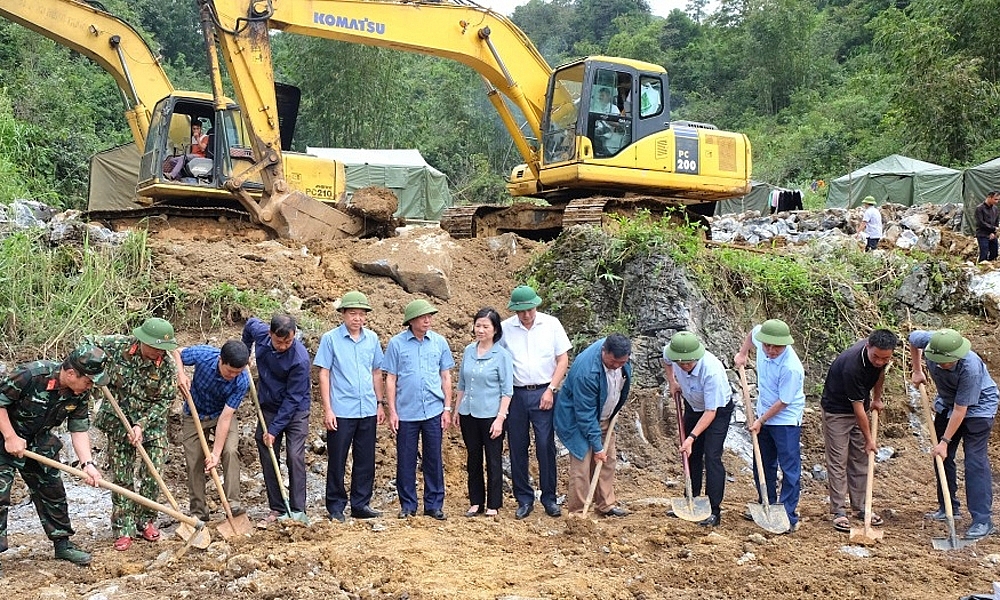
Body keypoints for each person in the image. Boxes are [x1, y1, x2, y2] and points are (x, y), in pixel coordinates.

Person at [0, 345, 108, 571]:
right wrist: (10, 437)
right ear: (71, 374)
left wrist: (87, 463)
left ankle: (62, 544)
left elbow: (78, 429)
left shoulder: (80, 392)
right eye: (88, 381)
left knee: (52, 491)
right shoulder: (30, 375)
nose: (91, 386)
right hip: (4, 436)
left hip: (38, 441)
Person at [90, 317, 179, 551]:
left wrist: (141, 424)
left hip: (151, 424)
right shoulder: (117, 345)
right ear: (142, 341)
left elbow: (165, 400)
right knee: (123, 476)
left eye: (163, 349)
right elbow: (86, 343)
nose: (158, 353)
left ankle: (146, 520)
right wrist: (93, 370)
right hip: (119, 420)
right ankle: (124, 527)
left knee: (154, 471)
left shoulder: (166, 366)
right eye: (155, 348)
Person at [910, 328, 997, 540]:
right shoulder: (931, 342)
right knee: (941, 456)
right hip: (948, 404)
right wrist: (917, 369)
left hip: (979, 408)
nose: (941, 366)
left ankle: (982, 520)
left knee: (974, 461)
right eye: (938, 361)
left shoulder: (971, 367)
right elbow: (913, 339)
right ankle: (948, 508)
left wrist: (945, 441)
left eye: (946, 363)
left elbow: (962, 410)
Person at [499, 285, 571, 520]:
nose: (526, 315)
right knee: (518, 446)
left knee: (544, 444)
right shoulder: (506, 328)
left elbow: (562, 359)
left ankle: (549, 497)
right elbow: (498, 359)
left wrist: (551, 389)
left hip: (544, 391)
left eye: (529, 310)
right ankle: (524, 498)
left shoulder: (551, 324)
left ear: (536, 306)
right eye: (521, 311)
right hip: (516, 394)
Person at [313, 291, 385, 522]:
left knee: (365, 458)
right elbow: (324, 374)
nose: (357, 318)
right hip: (342, 409)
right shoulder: (331, 339)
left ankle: (360, 503)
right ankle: (335, 505)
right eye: (352, 313)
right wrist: (328, 409)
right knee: (337, 458)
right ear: (343, 314)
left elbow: (376, 372)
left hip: (367, 408)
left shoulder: (372, 339)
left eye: (361, 314)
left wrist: (380, 403)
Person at [383, 299, 454, 520]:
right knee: (406, 458)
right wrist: (392, 411)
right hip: (406, 412)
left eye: (430, 316)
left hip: (433, 409)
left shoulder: (439, 342)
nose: (427, 320)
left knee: (433, 458)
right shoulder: (397, 344)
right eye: (423, 317)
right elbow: (391, 379)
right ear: (411, 320)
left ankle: (434, 504)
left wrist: (447, 408)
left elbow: (446, 376)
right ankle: (408, 505)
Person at [820, 329, 897, 533]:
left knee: (861, 459)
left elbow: (879, 374)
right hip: (837, 411)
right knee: (838, 460)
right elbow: (858, 410)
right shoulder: (852, 366)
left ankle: (862, 507)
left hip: (859, 407)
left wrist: (877, 398)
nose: (880, 361)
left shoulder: (881, 356)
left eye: (885, 358)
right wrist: (870, 439)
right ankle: (839, 511)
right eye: (876, 357)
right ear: (867, 347)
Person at [734, 319, 805, 531]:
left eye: (777, 347)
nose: (771, 350)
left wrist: (760, 421)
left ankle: (787, 514)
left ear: (786, 344)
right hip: (763, 413)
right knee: (763, 462)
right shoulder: (761, 338)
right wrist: (743, 353)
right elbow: (752, 332)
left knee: (789, 467)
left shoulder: (792, 368)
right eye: (767, 346)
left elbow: (784, 401)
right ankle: (766, 502)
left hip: (785, 420)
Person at [243, 313, 311, 528]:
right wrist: (245, 352)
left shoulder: (300, 359)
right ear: (270, 334)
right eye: (279, 341)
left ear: (294, 336)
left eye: (288, 341)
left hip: (295, 409)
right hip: (268, 404)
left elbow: (292, 399)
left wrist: (273, 430)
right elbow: (249, 324)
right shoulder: (260, 333)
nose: (283, 346)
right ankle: (277, 507)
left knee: (294, 455)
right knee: (267, 450)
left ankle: (298, 509)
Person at [554, 334, 632, 517]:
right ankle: (578, 511)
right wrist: (597, 447)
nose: (617, 366)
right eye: (613, 362)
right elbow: (585, 415)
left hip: (606, 417)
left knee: (608, 461)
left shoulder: (623, 358)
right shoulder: (586, 372)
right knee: (582, 466)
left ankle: (606, 505)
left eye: (621, 363)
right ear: (604, 351)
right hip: (577, 421)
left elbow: (623, 382)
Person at [172, 340, 250, 522]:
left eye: (237, 372)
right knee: (194, 461)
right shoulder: (204, 355)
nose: (232, 376)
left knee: (229, 451)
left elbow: (225, 418)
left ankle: (233, 504)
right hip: (194, 413)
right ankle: (199, 512)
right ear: (220, 360)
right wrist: (181, 374)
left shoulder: (242, 380)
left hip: (220, 414)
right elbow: (176, 352)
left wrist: (215, 454)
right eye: (229, 371)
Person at [663, 331, 735, 527]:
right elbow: (666, 359)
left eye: (688, 363)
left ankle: (714, 510)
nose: (684, 366)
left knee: (711, 456)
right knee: (691, 455)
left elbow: (711, 412)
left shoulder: (711, 371)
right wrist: (672, 381)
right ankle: (691, 499)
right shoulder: (673, 354)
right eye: (681, 363)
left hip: (717, 411)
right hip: (693, 406)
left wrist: (691, 437)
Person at [456, 308, 513, 518]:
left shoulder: (502, 355)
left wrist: (500, 418)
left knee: (493, 459)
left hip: (491, 415)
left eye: (485, 326)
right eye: (478, 325)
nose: (480, 330)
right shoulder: (468, 351)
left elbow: (507, 391)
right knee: (473, 458)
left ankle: (493, 503)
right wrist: (456, 409)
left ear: (495, 330)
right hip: (468, 413)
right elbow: (461, 383)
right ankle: (475, 501)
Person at [974, 190, 999, 263]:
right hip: (982, 234)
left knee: (994, 254)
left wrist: (993, 233)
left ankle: (989, 270)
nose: (997, 201)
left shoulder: (995, 209)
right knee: (984, 254)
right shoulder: (979, 208)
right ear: (989, 197)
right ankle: (981, 270)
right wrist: (993, 228)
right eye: (995, 199)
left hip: (992, 235)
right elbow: (980, 223)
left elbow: (996, 222)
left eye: (998, 199)